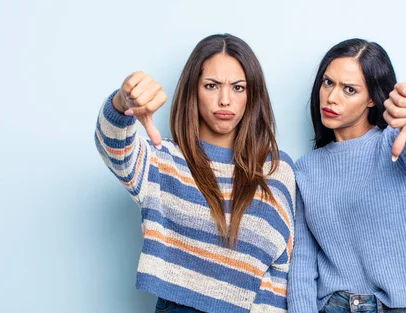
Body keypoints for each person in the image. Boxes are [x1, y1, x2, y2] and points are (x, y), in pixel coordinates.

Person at [94, 33, 296, 313]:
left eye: (238, 88)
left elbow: (282, 268)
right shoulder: (164, 159)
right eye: (211, 86)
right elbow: (112, 145)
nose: (225, 100)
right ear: (193, 90)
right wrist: (122, 102)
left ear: (252, 95)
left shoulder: (276, 168)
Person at [288, 39, 406, 313]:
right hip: (332, 306)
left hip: (396, 306)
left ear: (371, 98)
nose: (332, 97)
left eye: (349, 89)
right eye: (327, 83)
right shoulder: (305, 169)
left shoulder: (395, 145)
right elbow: (302, 261)